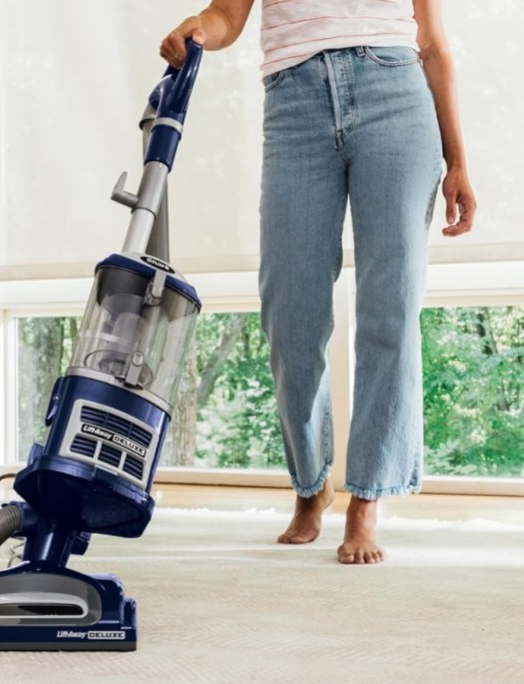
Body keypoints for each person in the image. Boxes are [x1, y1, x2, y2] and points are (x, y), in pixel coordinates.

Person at [161, 0, 476, 564]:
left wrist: (458, 160)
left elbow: (432, 44)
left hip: (395, 94)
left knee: (390, 309)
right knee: (292, 314)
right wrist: (197, 28)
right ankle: (311, 482)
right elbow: (227, 15)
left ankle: (367, 499)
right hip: (295, 103)